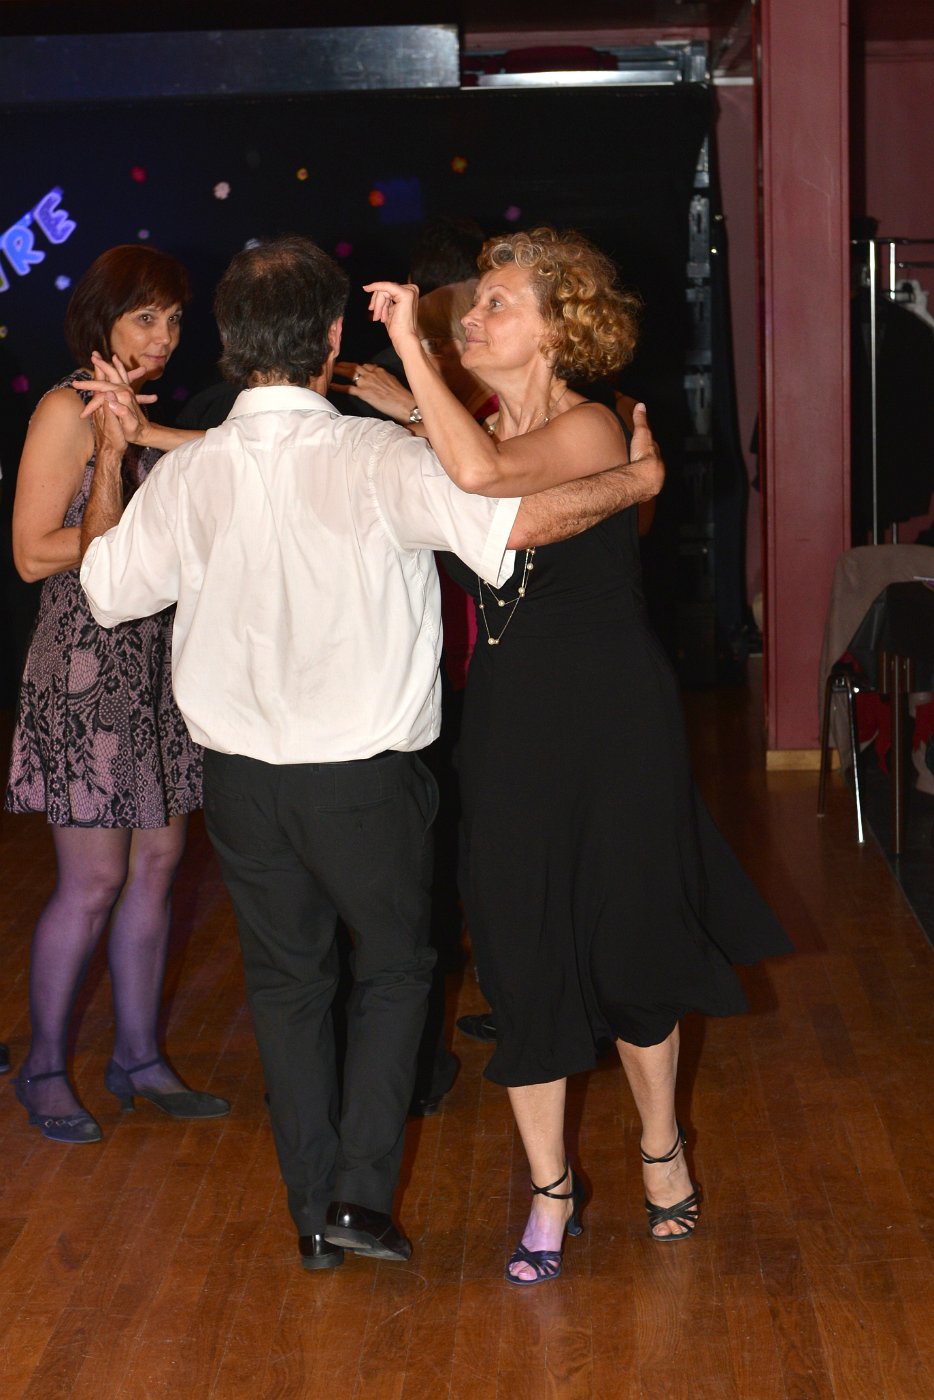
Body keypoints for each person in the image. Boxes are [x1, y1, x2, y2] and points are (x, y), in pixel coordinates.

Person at [77, 234, 664, 1271]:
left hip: (240, 788)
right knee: (395, 973)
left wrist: (112, 459)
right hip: (364, 779)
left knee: (286, 988)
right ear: (332, 338)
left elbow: (105, 588)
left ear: (230, 339)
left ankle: (313, 1216)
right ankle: (356, 1193)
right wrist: (632, 480)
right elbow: (510, 530)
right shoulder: (378, 459)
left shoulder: (193, 473)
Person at [364, 226, 792, 1285]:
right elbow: (464, 470)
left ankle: (661, 1147)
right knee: (519, 949)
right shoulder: (472, 427)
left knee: (631, 937)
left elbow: (485, 478)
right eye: (471, 304)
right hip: (509, 722)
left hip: (614, 720)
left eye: (495, 303)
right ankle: (550, 1188)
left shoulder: (594, 424)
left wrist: (413, 354)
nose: (471, 317)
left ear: (560, 330)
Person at [5, 244, 228, 1145]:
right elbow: (32, 553)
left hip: (153, 664)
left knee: (160, 865)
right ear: (101, 320)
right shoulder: (68, 409)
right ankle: (43, 1067)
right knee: (94, 879)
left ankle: (137, 1057)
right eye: (145, 317)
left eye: (173, 318)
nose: (164, 335)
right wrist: (114, 460)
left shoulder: (143, 415)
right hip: (84, 666)